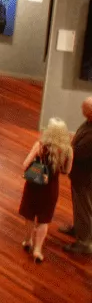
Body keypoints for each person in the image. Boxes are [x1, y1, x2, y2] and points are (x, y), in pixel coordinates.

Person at [19, 117, 73, 263]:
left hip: (35, 185)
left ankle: (27, 241)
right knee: (44, 219)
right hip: (51, 189)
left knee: (30, 214)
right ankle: (37, 250)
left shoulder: (40, 146)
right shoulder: (67, 150)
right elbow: (66, 171)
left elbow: (25, 165)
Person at [61, 96, 92, 254]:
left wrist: (63, 150)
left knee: (84, 208)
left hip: (86, 177)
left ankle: (85, 242)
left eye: (84, 109)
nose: (81, 110)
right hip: (81, 174)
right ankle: (78, 228)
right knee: (80, 206)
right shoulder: (88, 123)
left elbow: (79, 153)